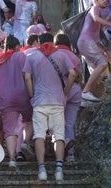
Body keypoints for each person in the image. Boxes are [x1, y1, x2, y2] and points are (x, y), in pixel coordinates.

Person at [23, 32, 76, 181]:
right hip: (58, 101)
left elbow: (27, 77)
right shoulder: (62, 55)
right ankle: (59, 169)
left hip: (40, 101)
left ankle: (42, 170)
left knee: (39, 134)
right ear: (53, 41)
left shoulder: (31, 56)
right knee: (58, 135)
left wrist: (32, 94)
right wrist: (65, 92)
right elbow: (72, 74)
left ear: (39, 42)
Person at [0, 35, 33, 167]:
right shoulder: (21, 56)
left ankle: (11, 159)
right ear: (17, 46)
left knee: (9, 130)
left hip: (5, 98)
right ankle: (25, 142)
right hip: (23, 95)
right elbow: (27, 75)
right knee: (29, 119)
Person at [55, 33, 83, 162]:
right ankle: (70, 155)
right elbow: (79, 76)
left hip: (60, 90)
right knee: (69, 124)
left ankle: (60, 149)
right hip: (76, 90)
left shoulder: (54, 54)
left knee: (56, 122)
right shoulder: (74, 56)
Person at [77, 0, 111, 102]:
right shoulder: (94, 8)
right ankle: (85, 92)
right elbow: (96, 19)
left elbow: (96, 40)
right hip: (86, 41)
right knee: (103, 63)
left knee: (99, 71)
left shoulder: (99, 16)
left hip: (87, 42)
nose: (105, 1)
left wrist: (104, 51)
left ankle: (85, 99)